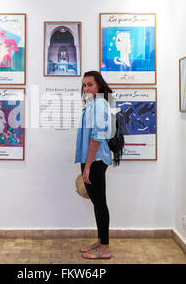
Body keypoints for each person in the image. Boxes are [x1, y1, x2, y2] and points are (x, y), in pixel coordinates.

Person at [75, 71, 113, 259]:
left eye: (90, 84)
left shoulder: (100, 105)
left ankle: (105, 248)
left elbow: (97, 137)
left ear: (99, 85)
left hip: (96, 160)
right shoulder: (93, 104)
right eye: (84, 85)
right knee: (97, 203)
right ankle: (100, 242)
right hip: (91, 159)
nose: (87, 88)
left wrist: (88, 166)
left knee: (100, 204)